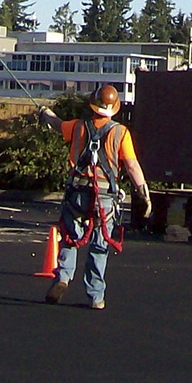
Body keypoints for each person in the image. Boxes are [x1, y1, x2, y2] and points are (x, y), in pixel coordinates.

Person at [38, 83, 150, 310]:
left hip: (78, 192)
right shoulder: (120, 133)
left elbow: (57, 124)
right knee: (100, 244)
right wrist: (143, 192)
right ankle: (96, 297)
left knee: (70, 237)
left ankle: (63, 277)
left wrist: (45, 114)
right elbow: (132, 165)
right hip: (105, 197)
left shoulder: (78, 127)